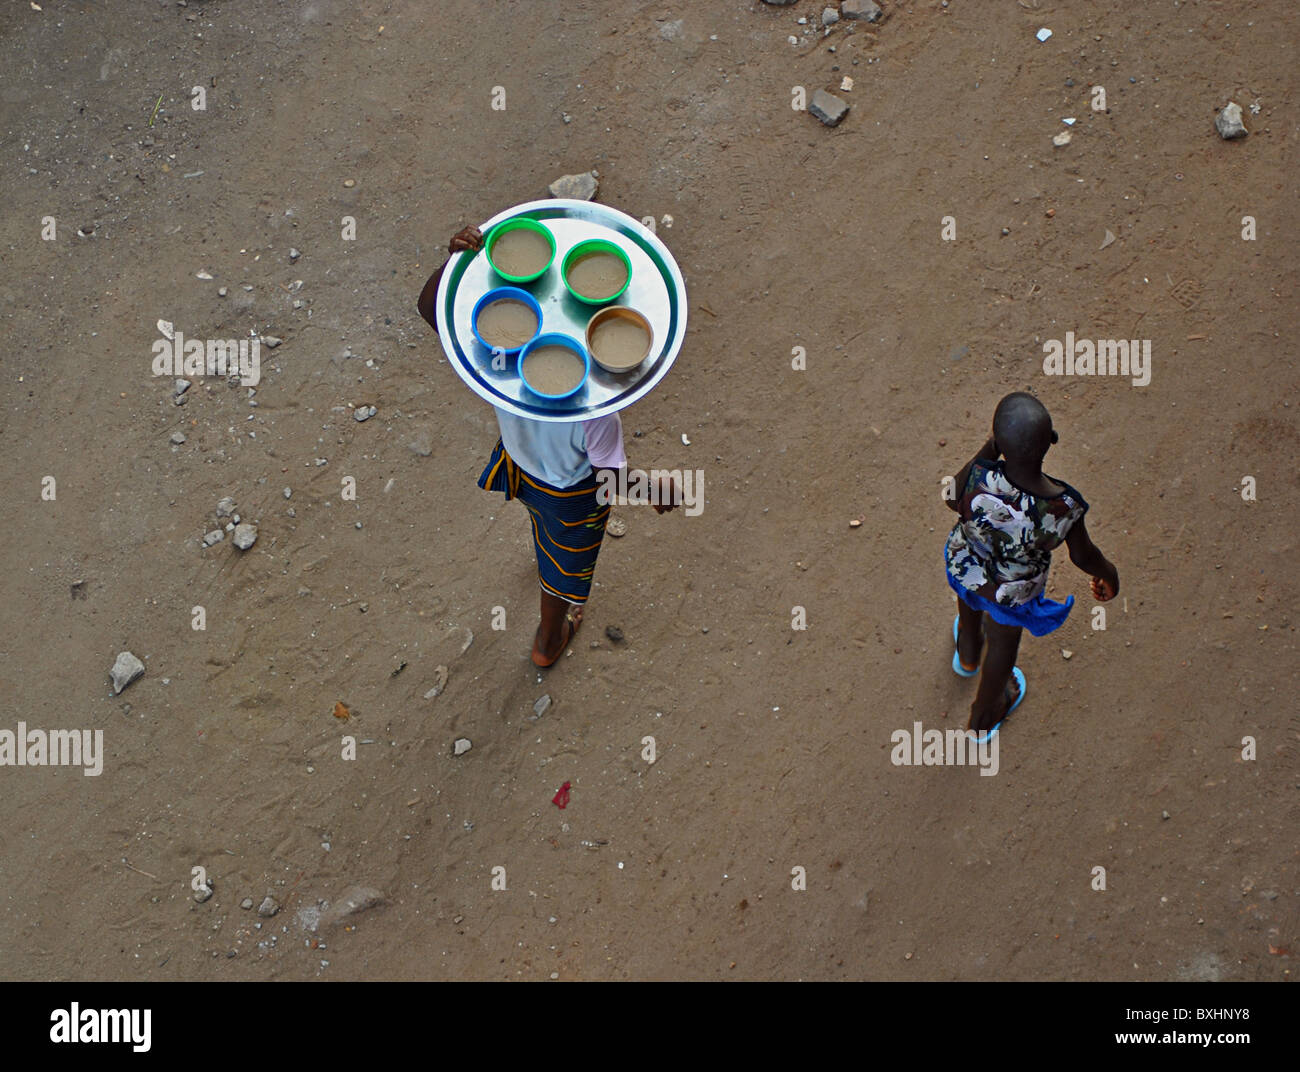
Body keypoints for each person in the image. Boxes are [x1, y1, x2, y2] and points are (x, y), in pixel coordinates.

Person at [418, 224, 676, 667]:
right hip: (569, 495)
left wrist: (455, 262)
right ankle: (548, 641)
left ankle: (544, 550)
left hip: (520, 462)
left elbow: (430, 309)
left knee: (541, 526)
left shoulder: (502, 370)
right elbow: (611, 477)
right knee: (562, 574)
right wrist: (655, 492)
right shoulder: (598, 415)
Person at [944, 391, 1119, 739]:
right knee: (1004, 645)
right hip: (1012, 592)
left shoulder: (980, 476)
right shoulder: (1062, 507)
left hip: (968, 565)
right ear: (1049, 443)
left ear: (998, 442)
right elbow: (1082, 555)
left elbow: (951, 498)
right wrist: (1107, 573)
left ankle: (967, 654)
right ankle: (983, 716)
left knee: (969, 604)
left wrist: (991, 447)